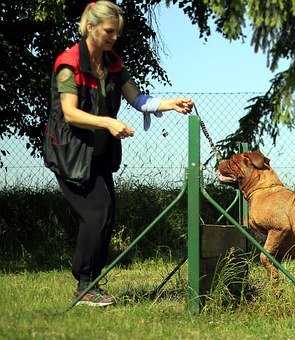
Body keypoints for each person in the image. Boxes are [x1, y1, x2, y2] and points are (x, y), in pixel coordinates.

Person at [43, 1, 193, 307]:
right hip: (71, 153)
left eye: (116, 32)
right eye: (109, 31)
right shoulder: (69, 63)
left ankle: (92, 283)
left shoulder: (112, 62)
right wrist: (108, 122)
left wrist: (170, 104)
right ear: (91, 27)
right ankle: (84, 284)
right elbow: (70, 113)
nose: (113, 37)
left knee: (107, 215)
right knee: (96, 213)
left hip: (98, 154)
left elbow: (137, 98)